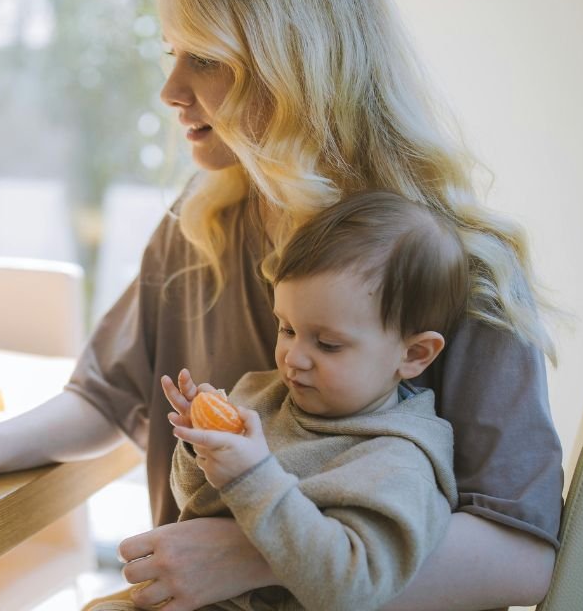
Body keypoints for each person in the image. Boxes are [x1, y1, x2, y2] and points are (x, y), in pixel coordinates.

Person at [0, 0, 563, 611]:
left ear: (293, 65)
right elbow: (105, 398)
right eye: (171, 53)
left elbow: (523, 555)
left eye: (205, 59)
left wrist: (256, 554)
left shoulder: (462, 268)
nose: (169, 89)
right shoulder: (201, 225)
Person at [85, 190, 467, 611]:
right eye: (286, 329)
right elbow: (194, 507)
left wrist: (253, 476)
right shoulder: (263, 396)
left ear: (413, 355)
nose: (293, 357)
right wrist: (201, 447)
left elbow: (352, 587)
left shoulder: (398, 461)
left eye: (328, 344)